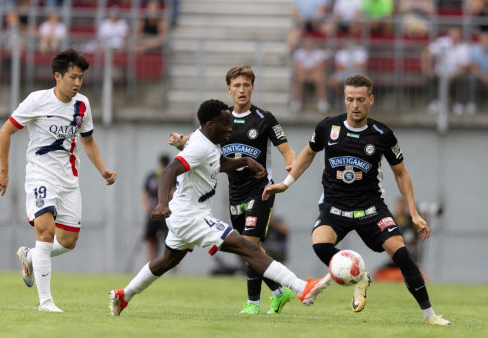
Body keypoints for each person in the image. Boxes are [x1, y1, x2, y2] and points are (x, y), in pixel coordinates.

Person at [108, 99, 330, 316]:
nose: (231, 128)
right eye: (226, 123)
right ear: (211, 124)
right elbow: (170, 170)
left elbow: (220, 163)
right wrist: (162, 202)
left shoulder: (210, 143)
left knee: (167, 260)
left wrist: (244, 161)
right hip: (191, 216)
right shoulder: (198, 147)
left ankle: (123, 295)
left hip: (186, 215)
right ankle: (302, 289)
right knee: (248, 247)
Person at [262, 74, 453, 326]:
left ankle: (430, 316)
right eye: (350, 99)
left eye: (360, 100)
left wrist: (414, 214)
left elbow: (401, 174)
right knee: (320, 245)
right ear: (345, 99)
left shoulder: (382, 134)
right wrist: (285, 185)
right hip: (334, 205)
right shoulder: (327, 127)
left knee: (403, 255)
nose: (355, 105)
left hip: (371, 208)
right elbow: (308, 154)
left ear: (370, 100)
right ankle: (361, 276)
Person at [168, 65, 297, 315]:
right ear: (228, 89)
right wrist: (179, 141)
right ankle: (280, 291)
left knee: (248, 243)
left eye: (246, 85)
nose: (242, 90)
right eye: (236, 85)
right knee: (247, 248)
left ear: (252, 88)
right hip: (234, 191)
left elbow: (286, 148)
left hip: (261, 190)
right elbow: (194, 141)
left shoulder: (264, 119)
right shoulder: (220, 117)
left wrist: (290, 162)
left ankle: (253, 303)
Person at [0, 49, 117, 312]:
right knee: (45, 232)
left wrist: (103, 169)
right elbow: (5, 131)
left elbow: (88, 141)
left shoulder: (82, 105)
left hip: (69, 180)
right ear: (57, 76)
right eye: (72, 77)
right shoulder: (37, 101)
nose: (77, 83)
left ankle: (30, 256)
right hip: (40, 175)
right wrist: (4, 170)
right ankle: (46, 302)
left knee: (68, 241)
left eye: (81, 78)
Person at [420, 26, 470, 115]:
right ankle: (434, 103)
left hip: (455, 75)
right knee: (431, 78)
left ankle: (459, 104)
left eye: (456, 33)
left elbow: (463, 66)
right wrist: (427, 68)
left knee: (463, 78)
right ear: (449, 34)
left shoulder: (464, 47)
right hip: (440, 74)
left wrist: (453, 75)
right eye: (453, 33)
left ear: (460, 35)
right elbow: (427, 52)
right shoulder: (442, 42)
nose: (454, 35)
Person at [141, 154, 173, 262]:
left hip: (166, 215)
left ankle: (174, 271)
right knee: (151, 242)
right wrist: (147, 208)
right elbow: (144, 193)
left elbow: (175, 192)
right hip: (153, 214)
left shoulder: (171, 177)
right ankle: (149, 266)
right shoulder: (152, 176)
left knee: (171, 242)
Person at [290, 36, 330, 113]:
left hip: (315, 74)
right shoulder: (299, 53)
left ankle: (322, 101)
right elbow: (297, 67)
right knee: (299, 78)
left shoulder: (319, 53)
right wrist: (308, 71)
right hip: (303, 74)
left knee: (320, 78)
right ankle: (297, 101)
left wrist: (310, 71)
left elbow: (322, 67)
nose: (309, 47)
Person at [468, 30, 488, 114]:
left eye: (487, 40)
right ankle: (471, 103)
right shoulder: (475, 49)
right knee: (471, 78)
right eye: (483, 40)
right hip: (479, 76)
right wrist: (482, 76)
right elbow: (473, 65)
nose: (485, 42)